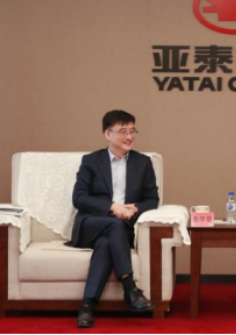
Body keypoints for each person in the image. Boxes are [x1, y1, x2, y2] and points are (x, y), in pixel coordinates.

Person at [67, 110, 160, 328]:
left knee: (106, 242)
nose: (129, 136)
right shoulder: (91, 161)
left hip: (121, 228)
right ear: (107, 134)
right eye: (123, 131)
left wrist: (133, 209)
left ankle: (87, 306)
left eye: (132, 131)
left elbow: (152, 199)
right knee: (113, 223)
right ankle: (130, 288)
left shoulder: (143, 163)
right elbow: (79, 198)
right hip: (90, 224)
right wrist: (112, 207)